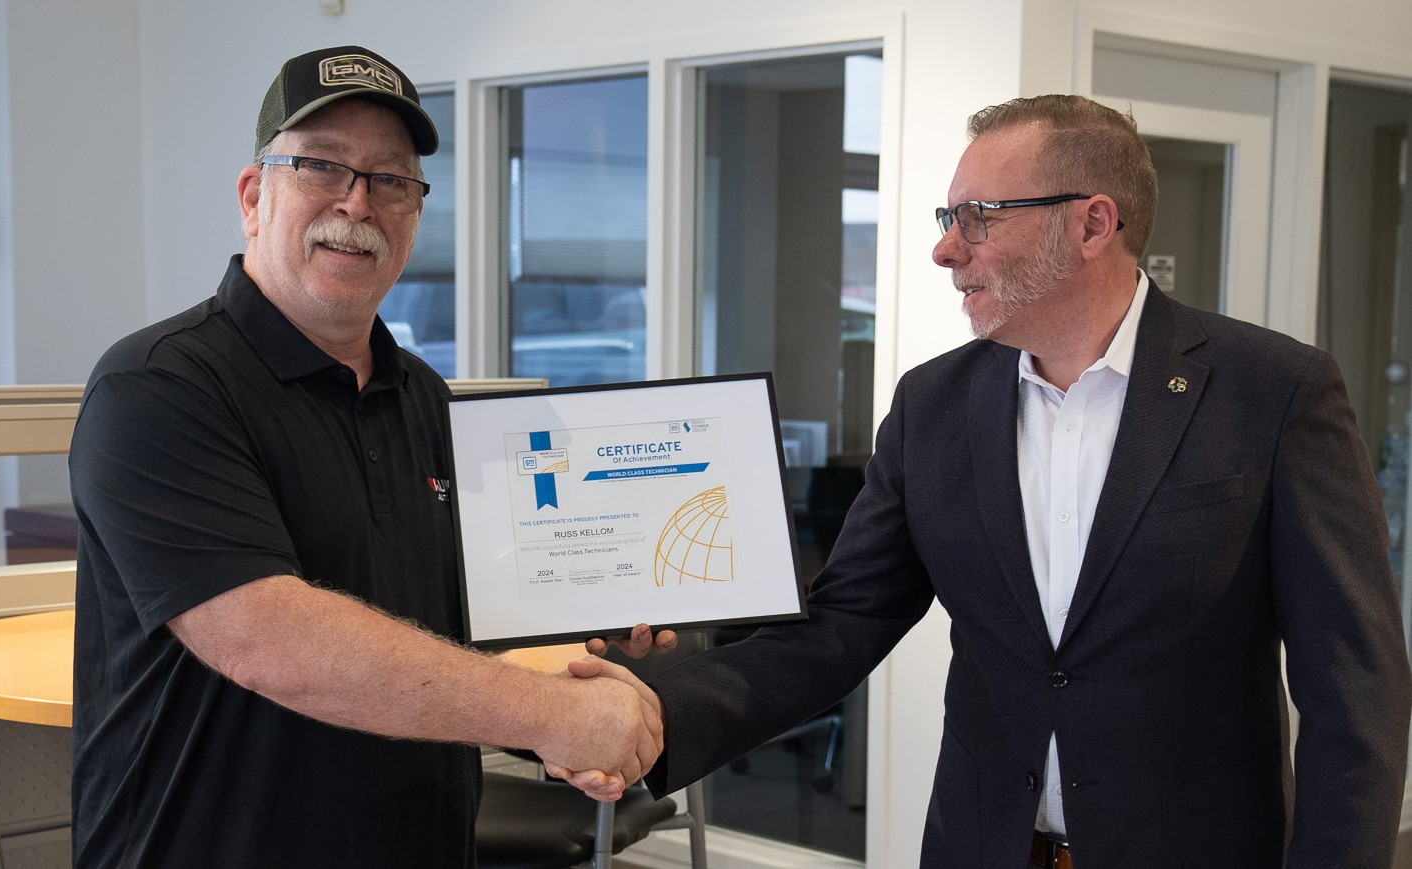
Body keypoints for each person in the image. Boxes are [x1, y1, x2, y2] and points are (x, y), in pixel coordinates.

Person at [569, 95, 1412, 867]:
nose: (944, 248)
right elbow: (839, 627)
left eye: (976, 217)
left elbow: (1355, 689)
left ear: (1091, 224)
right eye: (948, 217)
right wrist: (652, 706)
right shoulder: (933, 404)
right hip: (986, 847)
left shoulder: (1272, 391)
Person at [68, 45, 665, 869]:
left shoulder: (423, 397)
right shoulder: (160, 386)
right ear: (253, 196)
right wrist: (549, 716)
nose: (358, 203)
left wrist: (586, 632)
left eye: (391, 180)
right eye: (323, 167)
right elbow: (266, 638)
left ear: (415, 214)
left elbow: (457, 621)